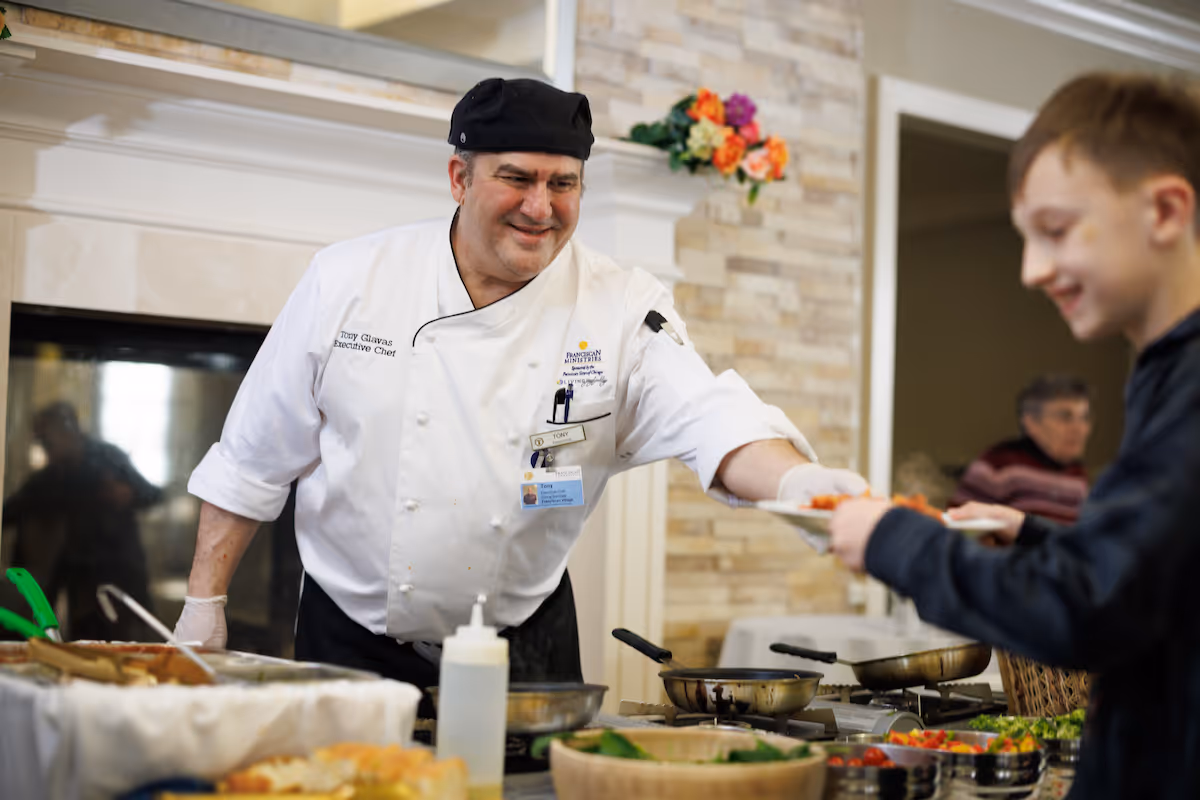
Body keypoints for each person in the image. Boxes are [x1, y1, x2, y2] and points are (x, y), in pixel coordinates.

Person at [173, 78, 866, 698]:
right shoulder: (349, 281)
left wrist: (812, 491)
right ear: (458, 177)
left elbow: (712, 416)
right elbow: (252, 458)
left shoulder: (621, 305)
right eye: (518, 178)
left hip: (525, 644)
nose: (541, 207)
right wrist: (204, 601)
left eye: (564, 184)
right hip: (351, 638)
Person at [828, 72, 1200, 799]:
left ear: (1164, 209)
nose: (1032, 270)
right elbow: (1150, 582)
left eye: (1055, 232)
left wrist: (892, 540)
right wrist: (1030, 535)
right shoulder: (1165, 373)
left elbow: (1084, 612)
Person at [3, 401, 162, 641]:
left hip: (119, 574)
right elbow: (10, 512)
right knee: (84, 643)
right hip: (78, 582)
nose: (46, 448)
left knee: (127, 645)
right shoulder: (50, 477)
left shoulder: (108, 458)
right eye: (42, 442)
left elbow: (152, 494)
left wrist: (127, 494)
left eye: (48, 440)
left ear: (69, 432)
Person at [949, 374, 1091, 523]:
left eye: (1085, 418)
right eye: (1065, 417)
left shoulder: (1078, 475)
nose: (1080, 429)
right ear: (1031, 423)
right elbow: (956, 527)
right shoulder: (997, 466)